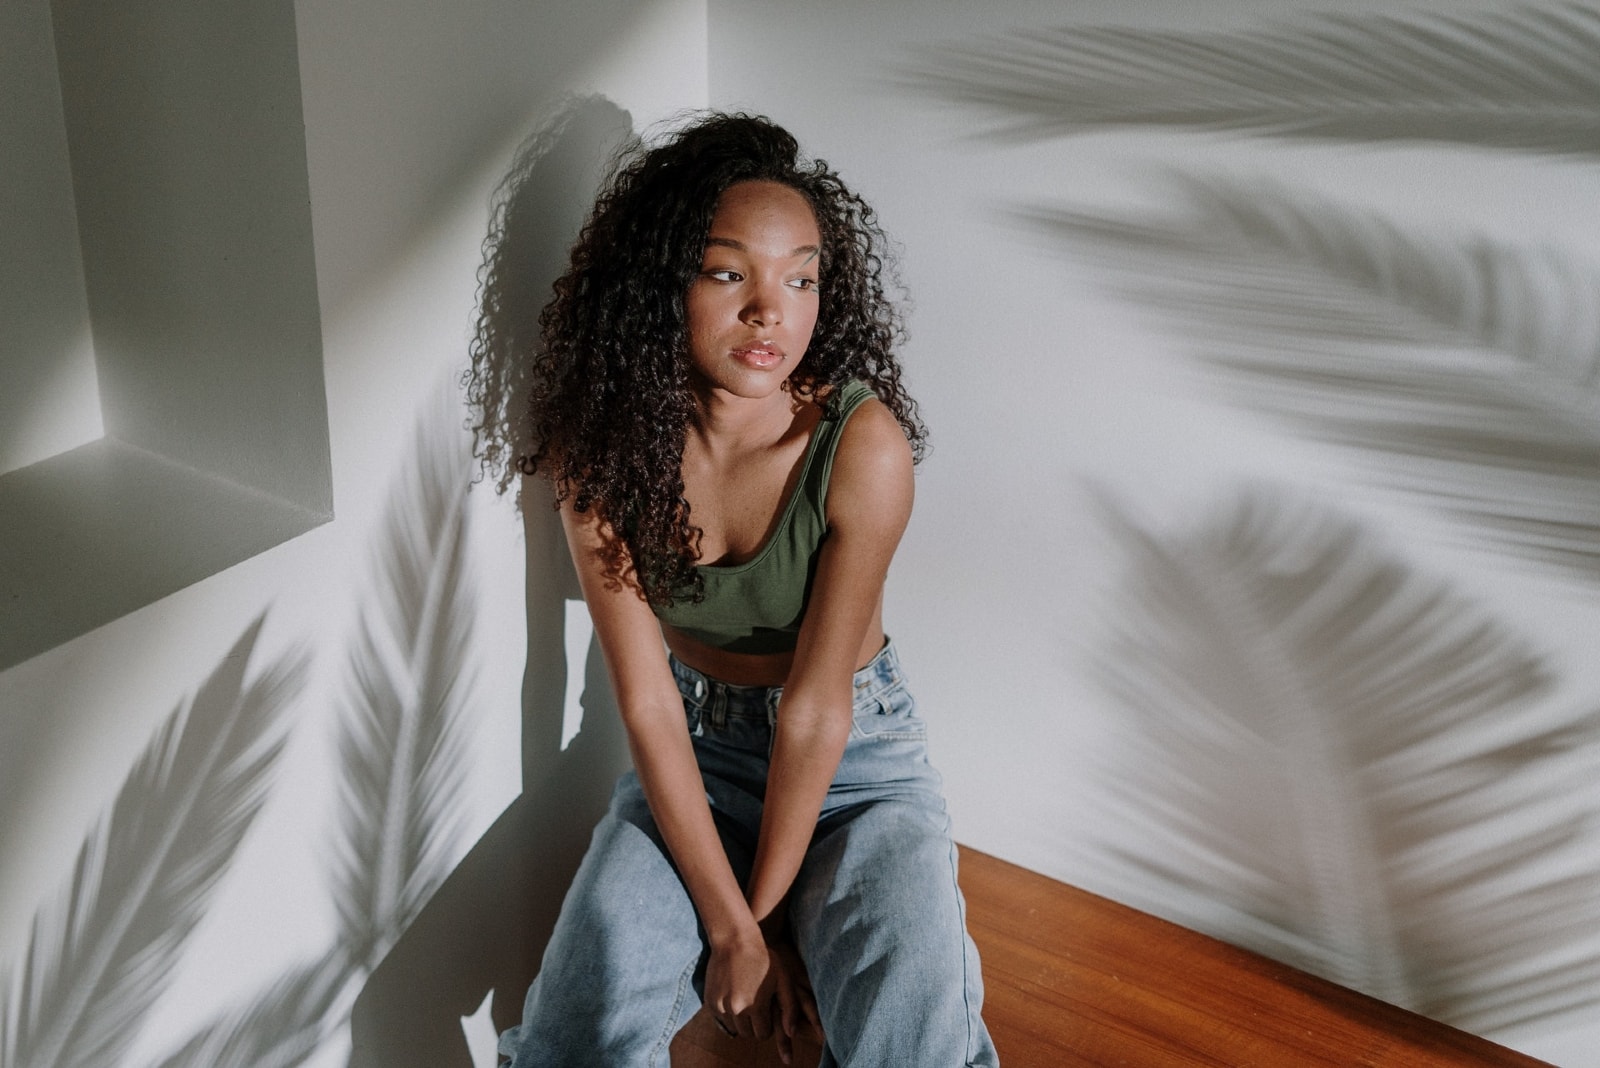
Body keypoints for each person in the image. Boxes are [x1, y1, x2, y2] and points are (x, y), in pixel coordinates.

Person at [469, 110, 998, 1068]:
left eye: (802, 277)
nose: (772, 311)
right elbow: (646, 705)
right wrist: (737, 935)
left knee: (912, 1048)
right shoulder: (604, 452)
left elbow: (813, 714)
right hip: (698, 765)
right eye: (729, 273)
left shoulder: (860, 446)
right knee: (571, 1041)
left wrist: (757, 928)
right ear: (659, 284)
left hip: (854, 776)